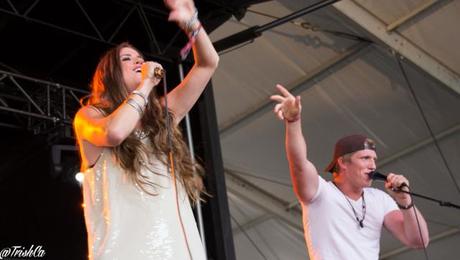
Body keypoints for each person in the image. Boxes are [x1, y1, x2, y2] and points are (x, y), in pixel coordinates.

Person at [73, 0, 219, 259]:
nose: (138, 62)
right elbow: (114, 133)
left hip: (177, 250)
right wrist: (146, 85)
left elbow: (207, 64)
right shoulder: (89, 115)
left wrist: (192, 24)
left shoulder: (161, 117)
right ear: (109, 76)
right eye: (127, 59)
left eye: (140, 58)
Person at [270, 84, 429, 260]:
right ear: (342, 163)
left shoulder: (380, 199)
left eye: (374, 159)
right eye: (365, 158)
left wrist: (405, 201)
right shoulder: (320, 192)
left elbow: (419, 241)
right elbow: (298, 164)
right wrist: (293, 122)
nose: (373, 165)